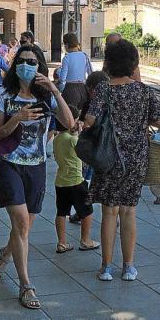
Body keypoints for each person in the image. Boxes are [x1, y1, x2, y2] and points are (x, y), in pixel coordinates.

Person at [0, 44, 73, 309]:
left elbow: (70, 123)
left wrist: (55, 90)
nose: (26, 65)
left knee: (23, 228)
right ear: (15, 65)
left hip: (36, 167)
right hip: (8, 164)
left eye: (32, 62)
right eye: (22, 61)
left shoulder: (45, 97)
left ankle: (5, 254)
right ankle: (26, 285)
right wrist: (18, 118)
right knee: (22, 223)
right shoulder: (2, 94)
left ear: (40, 67)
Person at [83, 40, 160, 282]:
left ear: (108, 63)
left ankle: (106, 267)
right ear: (134, 64)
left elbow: (89, 120)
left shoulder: (103, 89)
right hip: (136, 159)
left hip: (108, 157)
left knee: (109, 212)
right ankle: (129, 267)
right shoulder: (144, 91)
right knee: (129, 211)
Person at [53, 104, 99, 253]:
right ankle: (85, 240)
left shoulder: (57, 139)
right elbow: (86, 152)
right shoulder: (73, 140)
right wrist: (79, 133)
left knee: (61, 212)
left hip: (61, 181)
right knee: (87, 211)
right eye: (76, 119)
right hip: (76, 181)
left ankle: (62, 242)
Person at [69, 70, 109, 225]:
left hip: (93, 150)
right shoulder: (110, 103)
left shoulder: (93, 104)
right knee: (97, 183)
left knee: (85, 182)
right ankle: (87, 212)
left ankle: (83, 212)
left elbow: (86, 124)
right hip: (103, 150)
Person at [57, 33, 93, 110]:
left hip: (70, 89)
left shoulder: (66, 58)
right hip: (83, 88)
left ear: (67, 45)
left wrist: (58, 85)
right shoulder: (85, 55)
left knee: (69, 113)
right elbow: (91, 73)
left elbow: (62, 78)